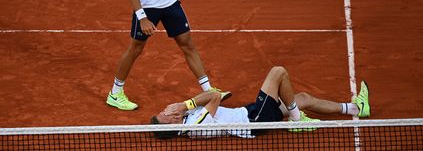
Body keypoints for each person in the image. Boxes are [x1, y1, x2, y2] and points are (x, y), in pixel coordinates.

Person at [151, 66, 370, 138]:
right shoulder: (194, 125)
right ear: (172, 125)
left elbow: (217, 94)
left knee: (300, 98)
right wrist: (185, 105)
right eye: (166, 115)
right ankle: (296, 120)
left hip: (250, 112)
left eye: (164, 110)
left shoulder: (187, 116)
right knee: (278, 72)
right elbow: (215, 96)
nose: (167, 110)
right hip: (254, 121)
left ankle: (355, 108)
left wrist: (184, 106)